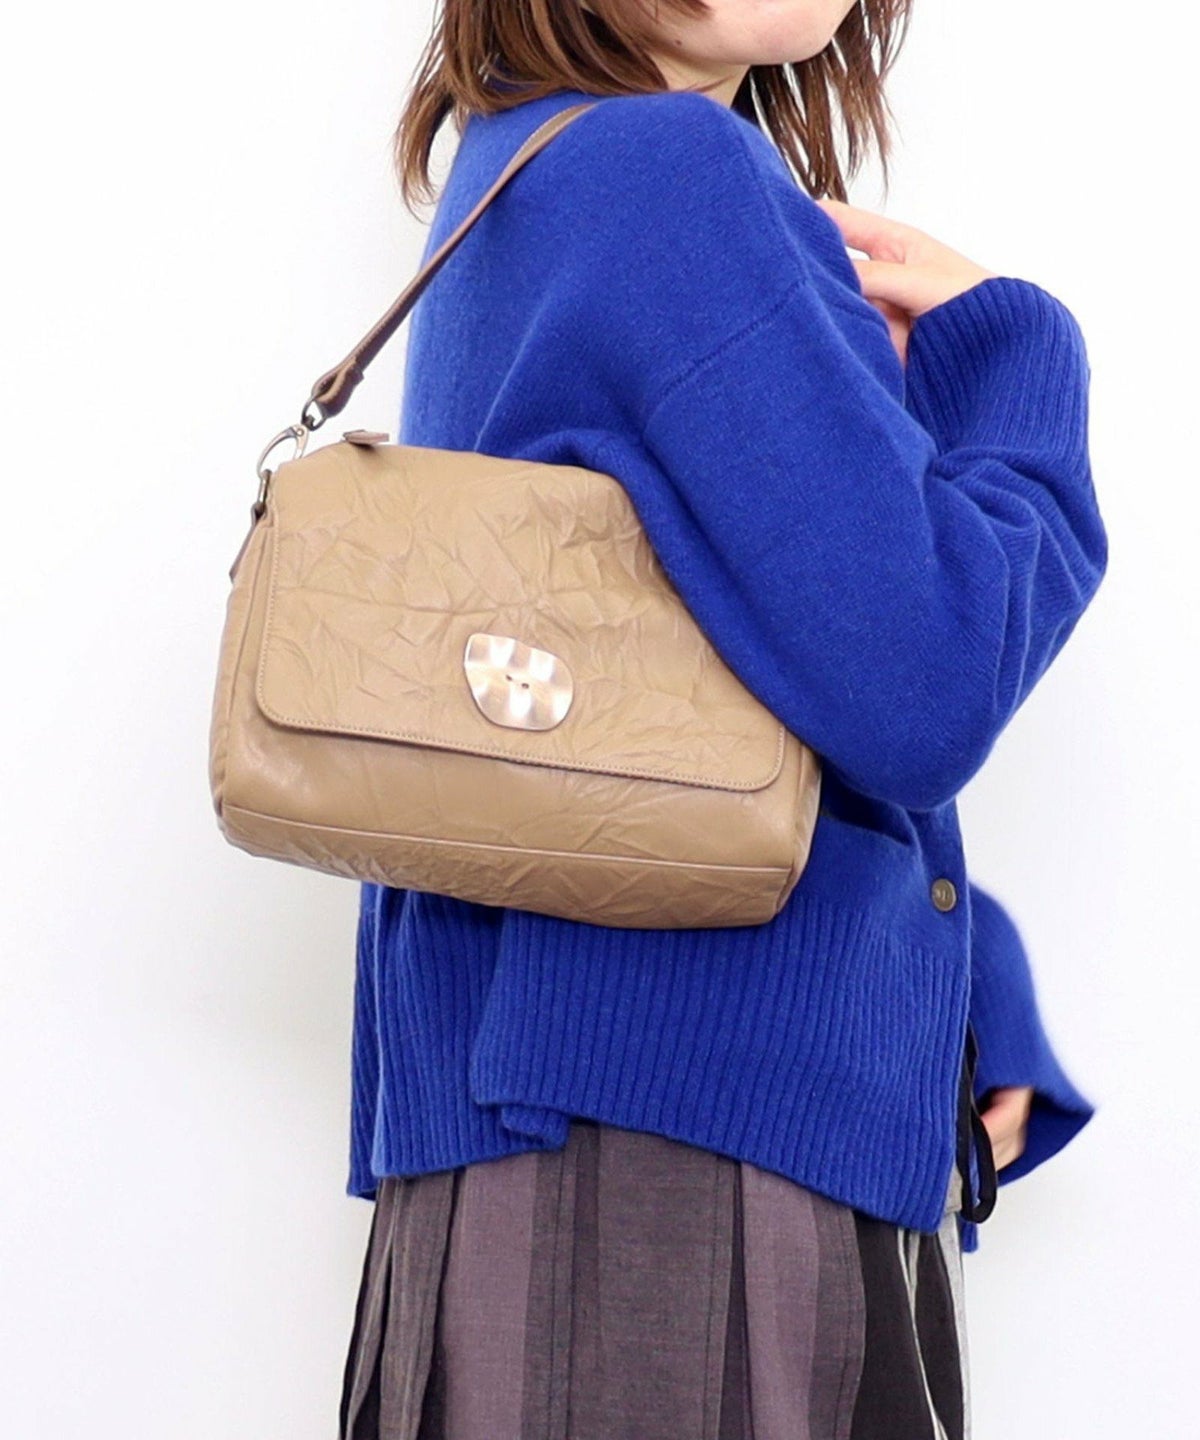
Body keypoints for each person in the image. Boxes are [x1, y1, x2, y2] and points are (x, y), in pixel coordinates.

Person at [336, 3, 1108, 1437]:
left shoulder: (527, 164)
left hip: (584, 1126)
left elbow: (666, 700)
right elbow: (928, 682)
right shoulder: (663, 176)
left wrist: (951, 987)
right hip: (670, 1173)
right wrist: (1017, 353)